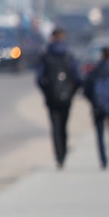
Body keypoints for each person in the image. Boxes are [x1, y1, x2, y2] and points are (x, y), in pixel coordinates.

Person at [35, 28, 82, 168]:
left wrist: (46, 92)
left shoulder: (46, 55)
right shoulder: (69, 54)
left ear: (52, 38)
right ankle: (64, 152)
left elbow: (38, 79)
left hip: (51, 97)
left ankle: (58, 156)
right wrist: (72, 92)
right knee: (64, 125)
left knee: (55, 126)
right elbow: (78, 78)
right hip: (67, 97)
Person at [82, 45, 109, 169]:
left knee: (100, 134)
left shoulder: (94, 72)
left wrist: (93, 102)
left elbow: (86, 90)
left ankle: (103, 161)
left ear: (101, 56)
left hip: (97, 107)